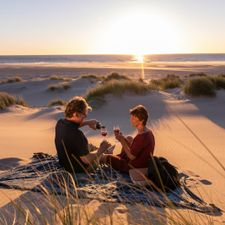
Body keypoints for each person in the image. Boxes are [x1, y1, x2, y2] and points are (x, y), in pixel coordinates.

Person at [55, 96, 111, 173]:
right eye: (84, 115)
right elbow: (87, 160)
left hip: (64, 163)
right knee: (100, 154)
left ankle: (106, 151)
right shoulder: (77, 134)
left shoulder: (60, 123)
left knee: (89, 146)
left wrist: (88, 123)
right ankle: (108, 152)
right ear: (75, 114)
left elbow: (71, 126)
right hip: (79, 169)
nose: (85, 117)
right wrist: (102, 149)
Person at [101, 105, 155, 173]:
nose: (131, 120)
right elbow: (136, 150)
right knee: (129, 138)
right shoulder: (148, 132)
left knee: (104, 157)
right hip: (141, 163)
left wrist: (122, 140)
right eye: (131, 117)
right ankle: (118, 157)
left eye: (133, 118)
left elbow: (131, 156)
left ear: (141, 121)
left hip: (133, 167)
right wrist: (122, 139)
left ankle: (109, 157)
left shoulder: (142, 136)